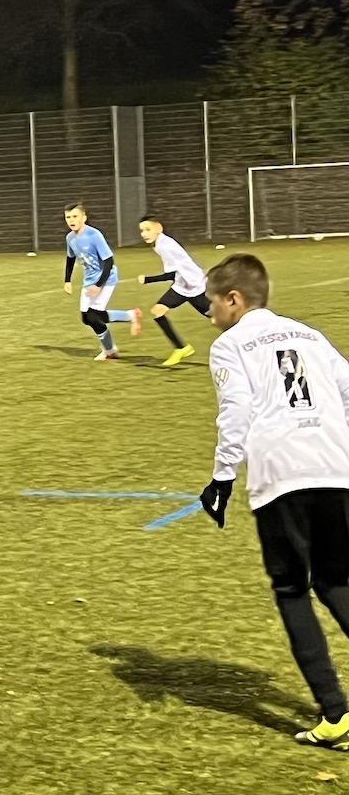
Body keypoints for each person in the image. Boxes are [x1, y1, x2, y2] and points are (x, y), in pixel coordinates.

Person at [198, 253, 349, 749]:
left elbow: (236, 409)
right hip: (336, 469)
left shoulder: (229, 345)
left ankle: (337, 715)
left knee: (291, 589)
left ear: (234, 299)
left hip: (281, 476)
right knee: (337, 582)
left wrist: (222, 477)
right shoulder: (310, 335)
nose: (209, 310)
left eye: (212, 301)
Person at [63, 203, 141, 360]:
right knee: (87, 318)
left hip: (106, 278)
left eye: (75, 216)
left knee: (93, 316)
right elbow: (70, 258)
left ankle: (110, 351)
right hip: (89, 280)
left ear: (84, 218)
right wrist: (67, 280)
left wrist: (99, 285)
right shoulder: (70, 238)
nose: (71, 220)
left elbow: (109, 261)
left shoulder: (94, 235)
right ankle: (130, 315)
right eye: (68, 217)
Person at [135, 215, 210, 367]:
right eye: (142, 231)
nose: (144, 234)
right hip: (182, 285)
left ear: (159, 228)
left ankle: (247, 334)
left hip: (195, 286)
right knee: (158, 311)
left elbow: (171, 274)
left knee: (216, 317)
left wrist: (147, 279)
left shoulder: (165, 246)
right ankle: (181, 348)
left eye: (148, 229)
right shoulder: (160, 243)